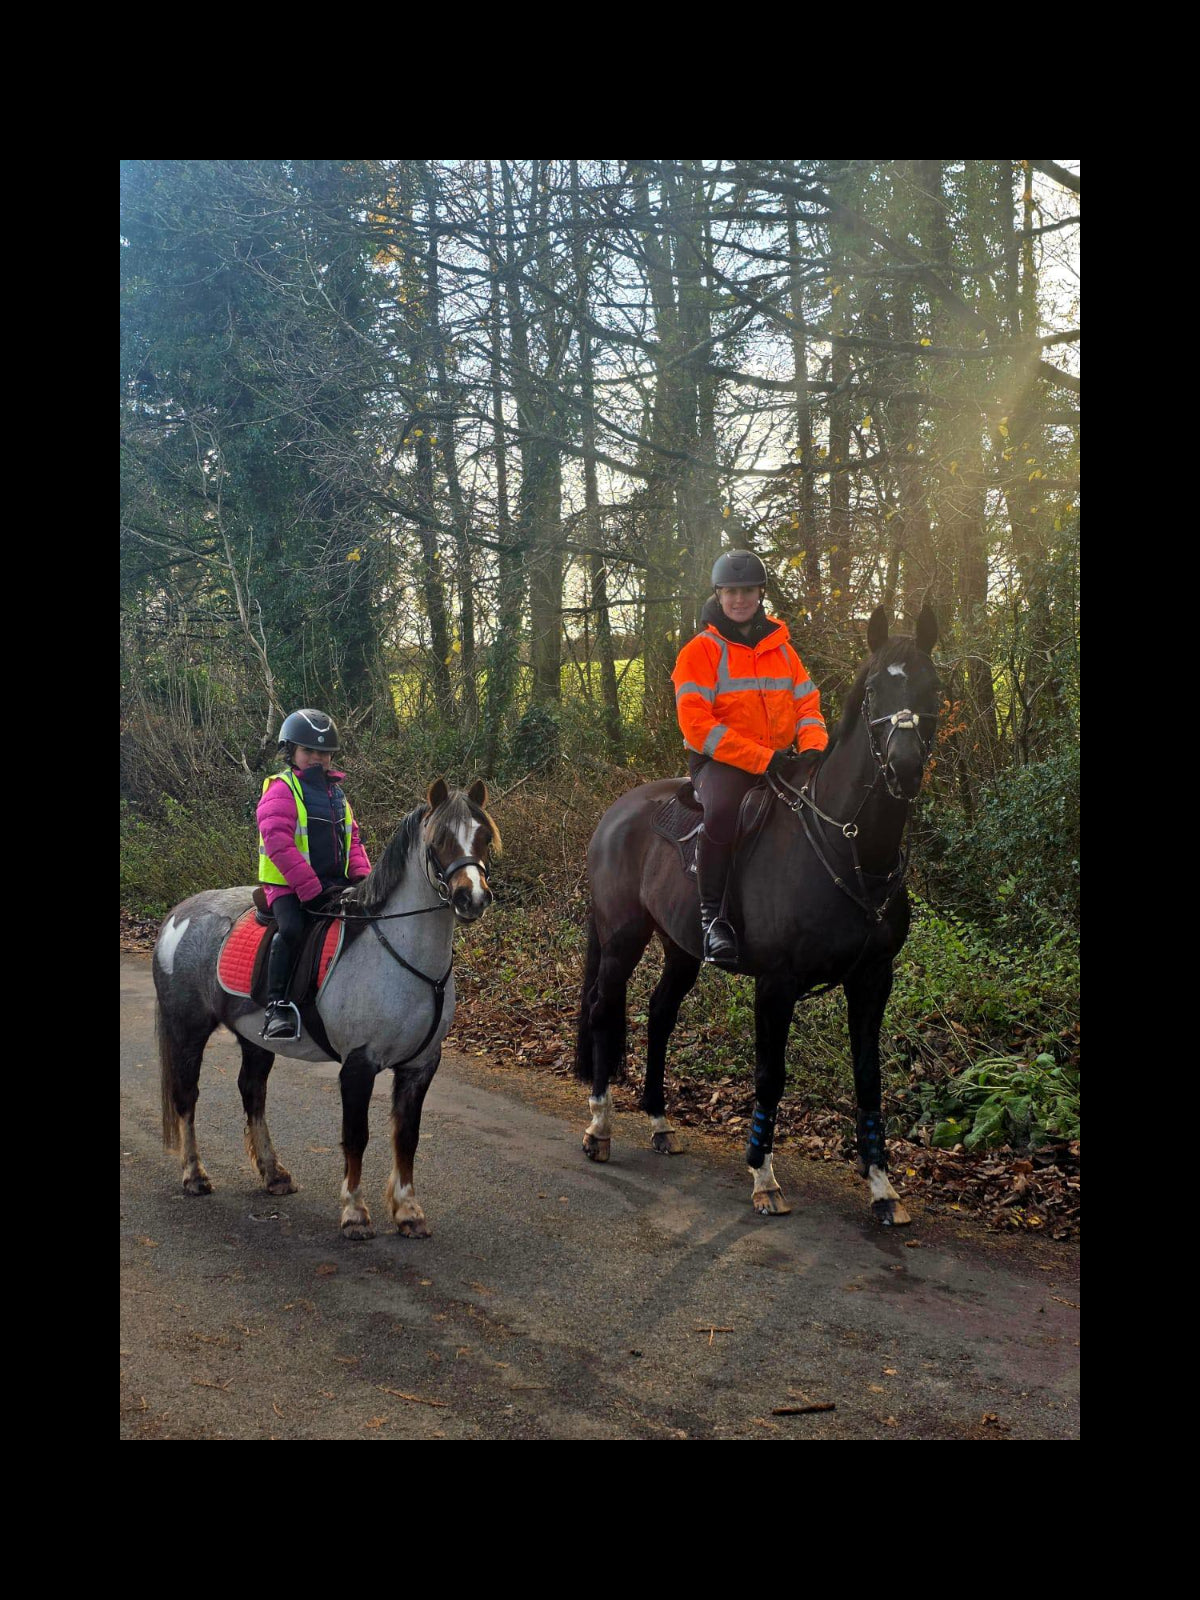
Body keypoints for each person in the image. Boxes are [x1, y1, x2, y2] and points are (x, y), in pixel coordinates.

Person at [672, 550, 829, 968]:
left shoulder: (783, 650)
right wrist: (761, 759)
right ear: (718, 595)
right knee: (724, 811)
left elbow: (808, 705)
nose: (739, 599)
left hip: (781, 758)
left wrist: (813, 747)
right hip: (719, 762)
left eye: (747, 591)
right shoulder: (700, 652)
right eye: (731, 592)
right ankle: (713, 918)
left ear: (760, 593)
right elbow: (697, 726)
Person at [256, 709, 371, 1040]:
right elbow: (278, 843)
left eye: (324, 752)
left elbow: (352, 840)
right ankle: (277, 1006)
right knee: (292, 929)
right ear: (291, 751)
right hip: (287, 886)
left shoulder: (337, 794)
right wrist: (309, 888)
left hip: (333, 884)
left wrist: (364, 880)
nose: (317, 758)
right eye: (309, 751)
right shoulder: (282, 789)